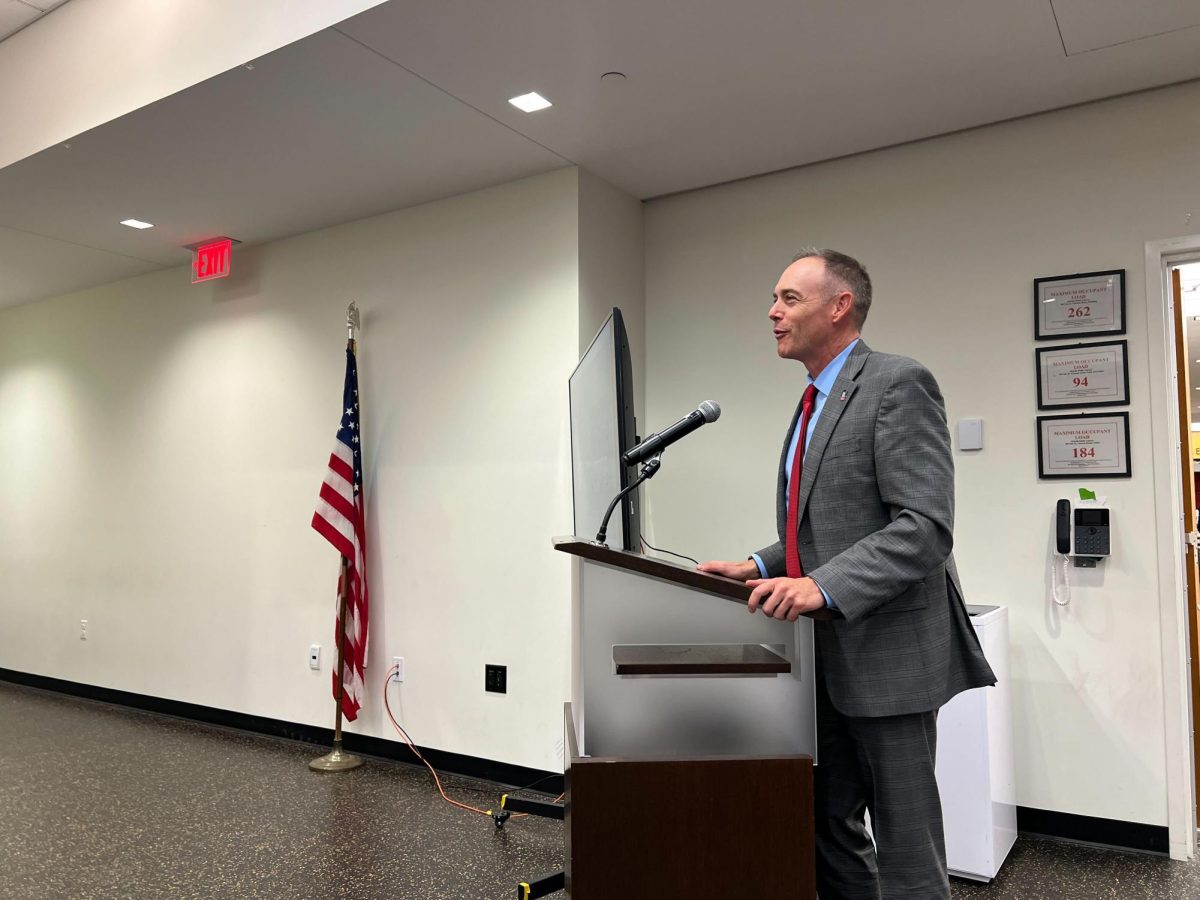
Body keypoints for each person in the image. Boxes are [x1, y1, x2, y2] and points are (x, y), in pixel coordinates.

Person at [698, 249, 995, 900]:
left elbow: (923, 526)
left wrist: (823, 587)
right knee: (828, 826)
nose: (773, 313)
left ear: (840, 306)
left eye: (789, 299)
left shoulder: (896, 383)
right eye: (773, 301)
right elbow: (817, 531)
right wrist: (756, 564)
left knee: (908, 848)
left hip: (889, 662)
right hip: (821, 663)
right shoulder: (810, 405)